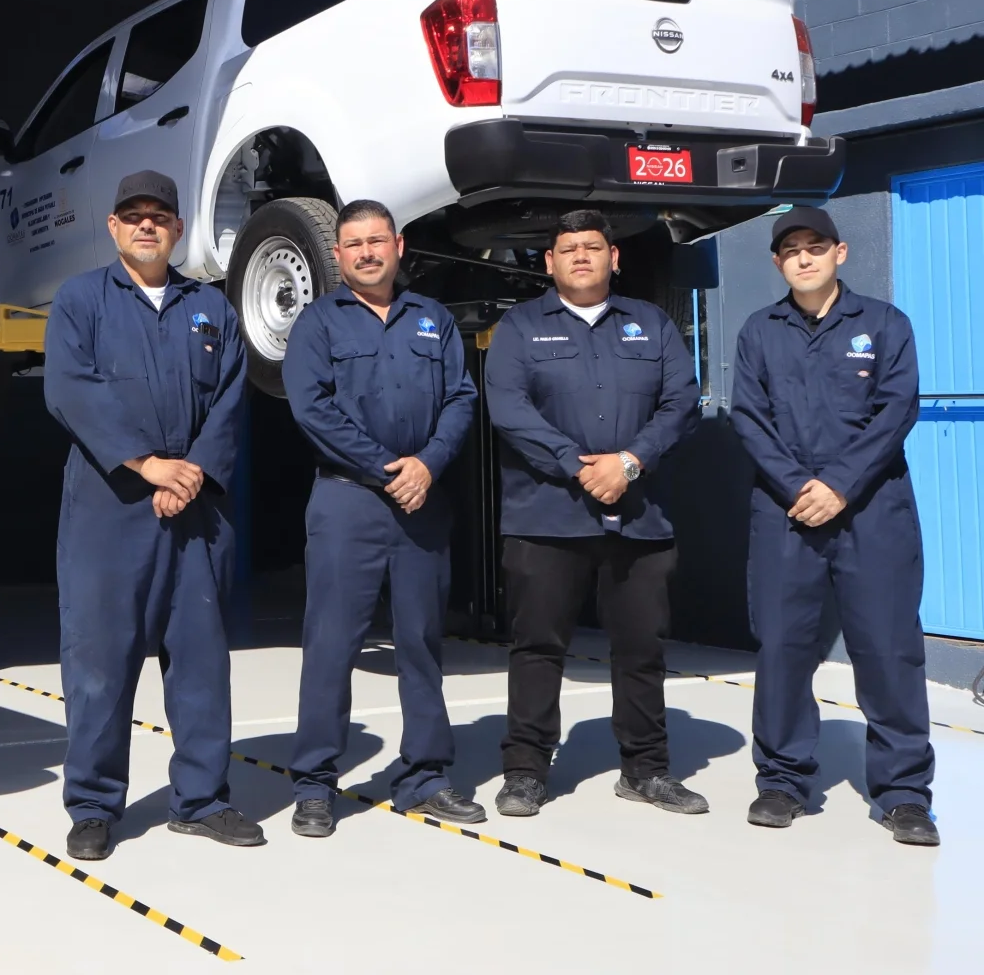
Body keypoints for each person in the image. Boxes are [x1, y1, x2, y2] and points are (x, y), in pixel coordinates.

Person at [42, 169, 259, 861]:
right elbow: (71, 392)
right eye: (132, 214)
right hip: (110, 509)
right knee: (99, 664)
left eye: (159, 215)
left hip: (194, 512)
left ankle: (201, 800)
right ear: (112, 227)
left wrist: (187, 473)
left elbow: (229, 400)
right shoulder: (80, 301)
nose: (145, 224)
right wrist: (147, 465)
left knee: (199, 662)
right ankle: (95, 805)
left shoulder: (212, 309)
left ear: (178, 229)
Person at [483, 210, 706, 817]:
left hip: (639, 517)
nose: (581, 256)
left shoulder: (652, 325)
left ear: (615, 258)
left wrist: (630, 462)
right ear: (549, 262)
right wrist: (577, 464)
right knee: (537, 647)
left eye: (592, 247)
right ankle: (526, 770)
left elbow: (681, 402)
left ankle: (646, 770)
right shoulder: (520, 328)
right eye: (567, 248)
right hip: (546, 517)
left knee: (641, 648)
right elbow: (507, 406)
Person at [728, 208, 938, 845]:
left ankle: (903, 794)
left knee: (888, 648)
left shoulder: (883, 325)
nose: (804, 258)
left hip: (873, 508)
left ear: (840, 253)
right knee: (784, 647)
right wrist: (801, 488)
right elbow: (749, 418)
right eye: (790, 250)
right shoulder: (758, 333)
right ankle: (782, 780)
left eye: (815, 247)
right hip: (788, 512)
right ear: (777, 264)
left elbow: (895, 410)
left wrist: (840, 484)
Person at [282, 200, 481, 836]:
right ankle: (315, 783)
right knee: (331, 644)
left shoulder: (434, 319)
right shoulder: (317, 323)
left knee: (420, 643)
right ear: (336, 257)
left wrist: (428, 464)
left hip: (423, 500)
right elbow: (312, 409)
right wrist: (388, 470)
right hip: (348, 503)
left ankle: (425, 775)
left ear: (398, 246)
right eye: (353, 244)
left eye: (377, 241)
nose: (367, 253)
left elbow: (460, 398)